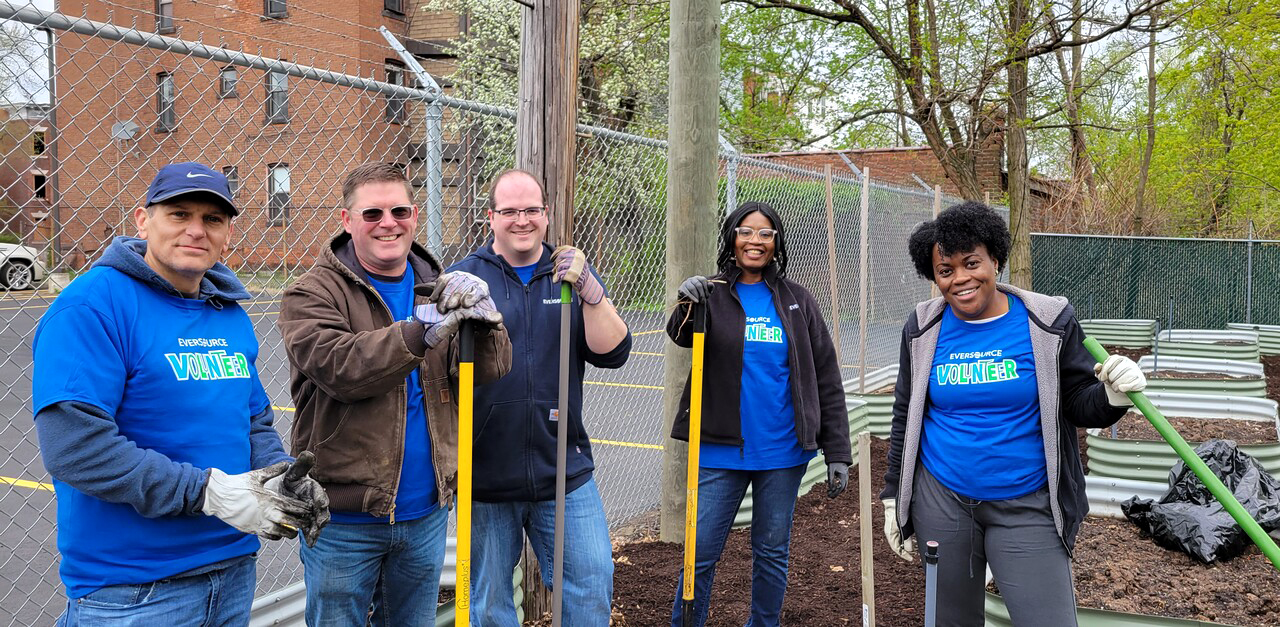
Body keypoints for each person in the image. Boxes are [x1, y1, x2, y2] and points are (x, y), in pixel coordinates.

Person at [32, 162, 329, 626]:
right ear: (142, 220)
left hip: (232, 571)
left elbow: (252, 420)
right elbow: (75, 448)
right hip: (135, 590)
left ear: (228, 233)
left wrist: (277, 476)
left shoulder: (227, 312)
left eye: (212, 219)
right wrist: (208, 493)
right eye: (178, 214)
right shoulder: (92, 306)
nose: (196, 230)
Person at [880, 201, 1146, 626]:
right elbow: (905, 411)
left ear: (995, 260)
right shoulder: (923, 327)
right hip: (942, 501)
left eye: (972, 263)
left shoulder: (1047, 320)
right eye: (945, 270)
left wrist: (1113, 395)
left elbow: (1078, 400)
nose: (960, 278)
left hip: (1027, 504)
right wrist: (894, 493)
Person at [279, 162, 511, 626]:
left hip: (424, 515)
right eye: (372, 213)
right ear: (347, 221)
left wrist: (487, 324)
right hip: (344, 519)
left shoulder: (436, 287)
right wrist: (416, 333)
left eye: (399, 210)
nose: (388, 222)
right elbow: (341, 366)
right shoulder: (310, 294)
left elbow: (492, 367)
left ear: (414, 215)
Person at [448, 168, 632, 626]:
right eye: (509, 211)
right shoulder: (465, 277)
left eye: (532, 210)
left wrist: (591, 292)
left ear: (547, 215)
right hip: (485, 475)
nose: (522, 220)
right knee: (488, 602)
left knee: (591, 581)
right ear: (490, 217)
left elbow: (615, 352)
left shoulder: (568, 276)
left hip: (563, 469)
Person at [667, 201, 852, 626]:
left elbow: (826, 375)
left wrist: (837, 451)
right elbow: (679, 337)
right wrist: (686, 299)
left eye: (765, 234)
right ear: (732, 237)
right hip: (718, 449)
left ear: (776, 243)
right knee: (701, 552)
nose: (755, 241)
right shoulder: (711, 293)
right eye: (746, 231)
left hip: (783, 452)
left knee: (771, 551)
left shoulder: (797, 301)